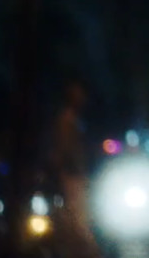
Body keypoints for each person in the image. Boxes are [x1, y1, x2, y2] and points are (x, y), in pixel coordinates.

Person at [47, 81, 101, 258]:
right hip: (71, 175)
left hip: (76, 174)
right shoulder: (67, 120)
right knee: (78, 218)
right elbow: (66, 149)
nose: (82, 99)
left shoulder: (76, 120)